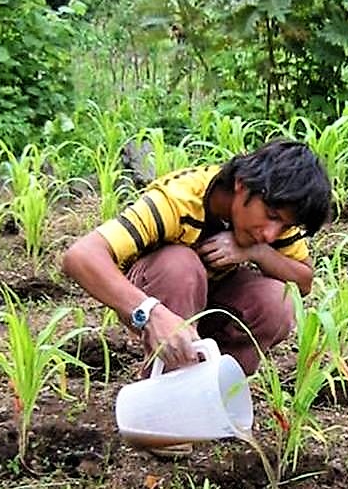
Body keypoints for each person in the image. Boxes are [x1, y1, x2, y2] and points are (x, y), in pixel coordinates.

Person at [62, 139, 332, 378]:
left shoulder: (274, 219)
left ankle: (215, 386)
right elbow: (81, 256)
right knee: (180, 265)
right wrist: (150, 312)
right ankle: (166, 389)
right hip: (150, 292)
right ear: (242, 184)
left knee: (279, 298)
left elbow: (303, 282)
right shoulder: (178, 199)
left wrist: (256, 252)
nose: (272, 233)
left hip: (211, 298)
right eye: (272, 217)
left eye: (284, 226)